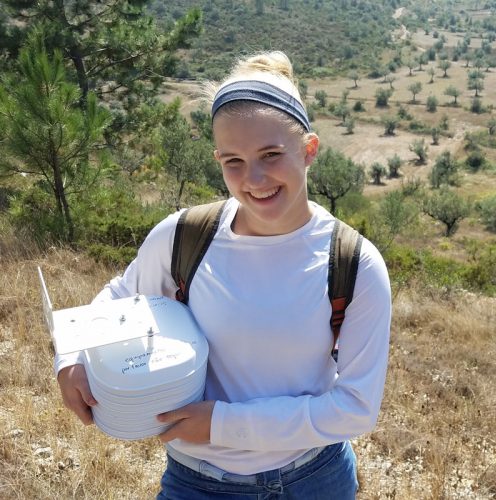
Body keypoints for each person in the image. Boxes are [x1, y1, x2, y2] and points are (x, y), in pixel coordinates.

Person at [55, 51, 392, 499]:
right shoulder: (185, 236)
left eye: (271, 155)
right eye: (233, 161)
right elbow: (121, 295)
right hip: (197, 481)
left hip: (314, 479)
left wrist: (220, 424)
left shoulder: (352, 262)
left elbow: (355, 409)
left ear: (309, 149)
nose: (253, 179)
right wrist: (73, 355)